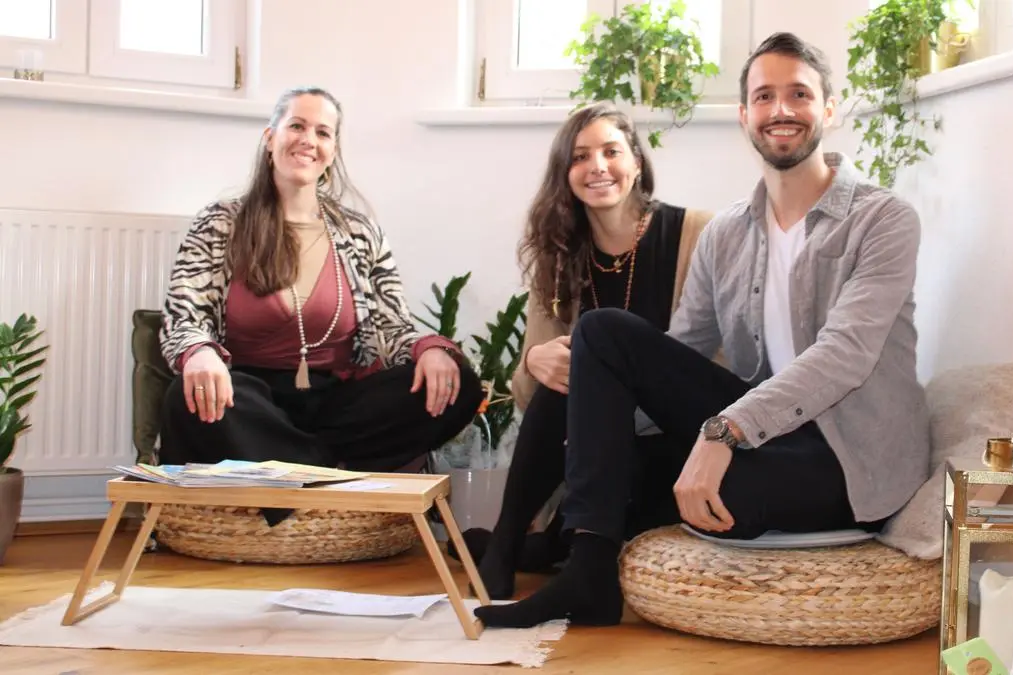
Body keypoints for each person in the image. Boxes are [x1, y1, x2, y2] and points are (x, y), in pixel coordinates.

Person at [474, 32, 932, 630]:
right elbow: (678, 354)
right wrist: (594, 425)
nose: (781, 110)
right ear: (745, 116)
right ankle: (586, 573)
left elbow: (845, 355)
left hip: (847, 460)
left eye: (799, 94)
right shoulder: (729, 234)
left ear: (829, 109)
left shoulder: (882, 219)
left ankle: (544, 548)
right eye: (764, 96)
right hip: (764, 435)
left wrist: (724, 433)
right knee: (601, 337)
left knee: (714, 498)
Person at [157, 86, 483, 524]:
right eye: (296, 125)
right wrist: (198, 353)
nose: (308, 139)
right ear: (270, 137)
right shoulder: (221, 222)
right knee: (187, 396)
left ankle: (295, 474)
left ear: (333, 150)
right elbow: (185, 312)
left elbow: (391, 324)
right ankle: (331, 477)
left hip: (336, 403)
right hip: (248, 399)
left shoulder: (359, 231)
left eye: (322, 132)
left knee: (457, 378)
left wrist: (429, 347)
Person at [447, 101, 714, 599]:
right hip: (601, 455)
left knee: (592, 362)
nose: (597, 167)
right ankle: (509, 545)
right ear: (564, 173)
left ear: (637, 161)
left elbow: (715, 365)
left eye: (611, 151)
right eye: (579, 156)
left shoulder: (696, 234)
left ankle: (508, 545)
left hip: (678, 444)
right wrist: (531, 360)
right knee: (569, 369)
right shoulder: (561, 255)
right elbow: (530, 395)